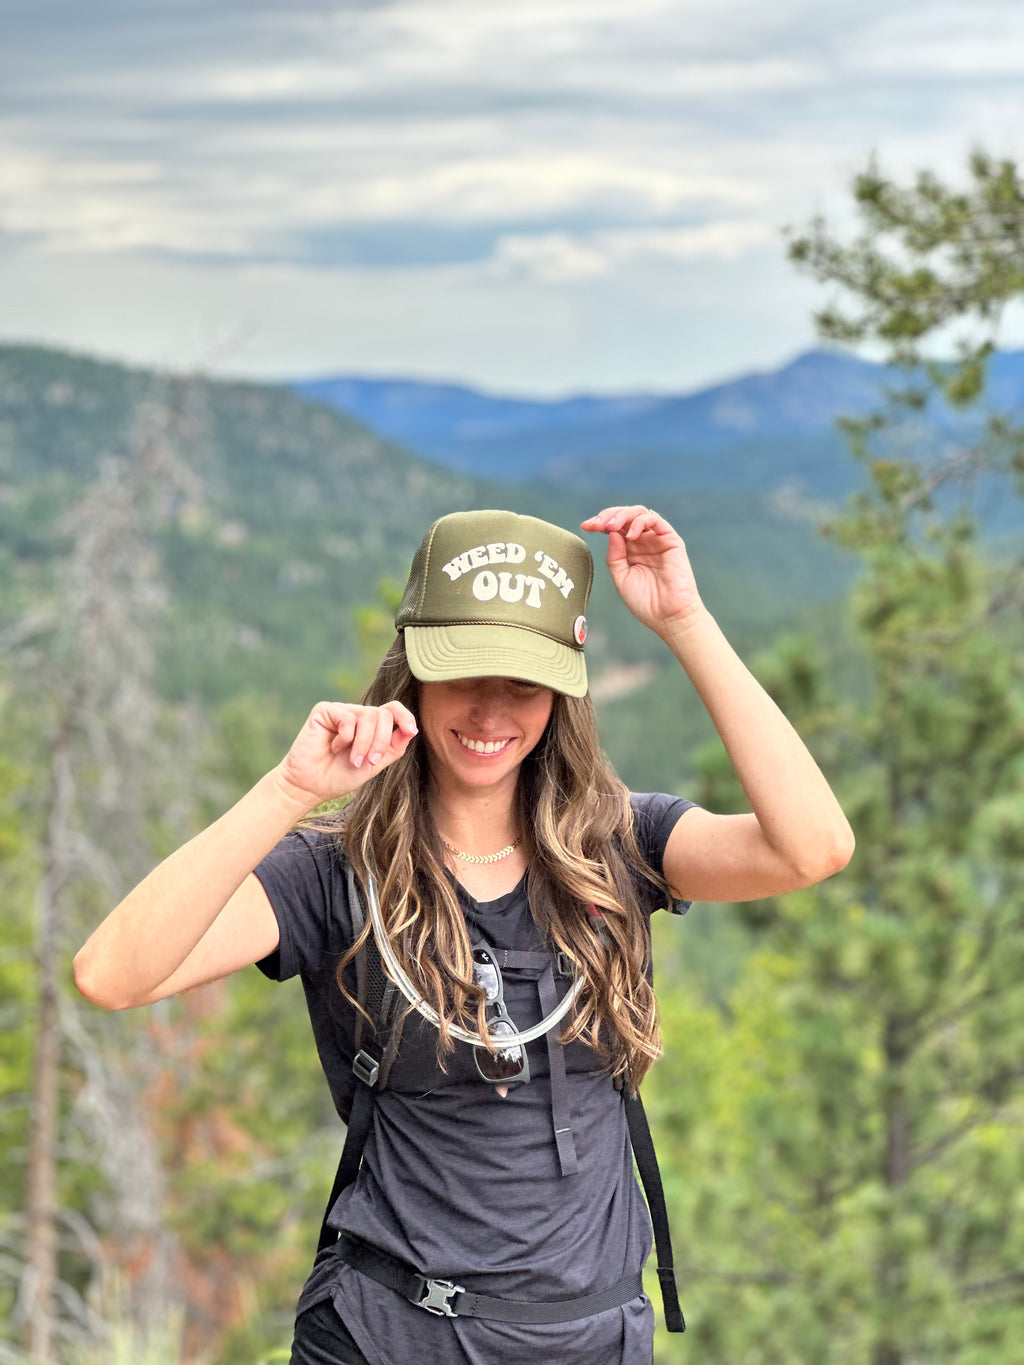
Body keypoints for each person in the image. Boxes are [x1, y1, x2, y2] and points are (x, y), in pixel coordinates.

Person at [74, 505, 854, 1365]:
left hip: (594, 1339)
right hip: (386, 1335)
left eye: (523, 681)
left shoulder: (618, 846)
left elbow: (811, 845)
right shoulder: (336, 869)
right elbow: (113, 974)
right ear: (410, 674)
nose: (490, 710)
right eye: (462, 673)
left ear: (563, 694)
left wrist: (685, 621)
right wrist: (289, 790)